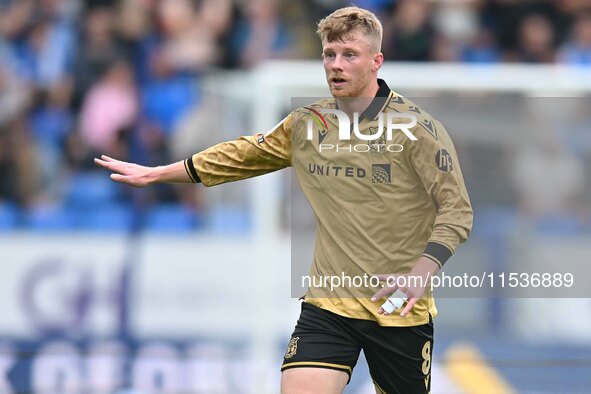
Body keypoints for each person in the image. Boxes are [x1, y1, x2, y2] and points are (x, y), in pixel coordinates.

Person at [95, 7, 472, 394]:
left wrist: (422, 271)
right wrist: (158, 173)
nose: (336, 66)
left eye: (349, 55)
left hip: (398, 309)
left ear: (376, 61)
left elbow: (457, 210)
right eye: (329, 54)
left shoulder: (418, 130)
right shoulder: (308, 124)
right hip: (329, 306)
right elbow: (243, 154)